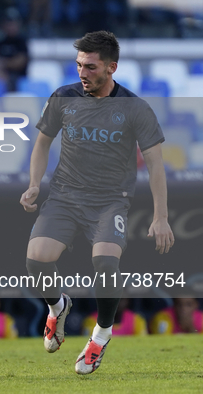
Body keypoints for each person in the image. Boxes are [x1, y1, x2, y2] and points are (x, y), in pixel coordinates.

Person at [20, 31, 174, 374]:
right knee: (36, 262)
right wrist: (34, 184)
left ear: (111, 67)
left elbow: (155, 165)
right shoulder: (63, 97)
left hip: (109, 201)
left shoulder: (136, 108)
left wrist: (160, 217)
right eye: (78, 65)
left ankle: (100, 336)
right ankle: (57, 306)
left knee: (105, 263)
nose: (82, 73)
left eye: (90, 66)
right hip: (64, 196)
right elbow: (42, 143)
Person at [0, 7, 29, 92]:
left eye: (12, 23)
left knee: (8, 81)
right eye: (7, 23)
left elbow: (21, 62)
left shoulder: (21, 41)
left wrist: (2, 63)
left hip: (17, 78)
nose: (10, 26)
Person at [82, 298, 148, 336]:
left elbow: (142, 344)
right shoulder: (92, 320)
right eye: (113, 299)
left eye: (121, 299)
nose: (117, 303)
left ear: (127, 301)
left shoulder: (136, 320)